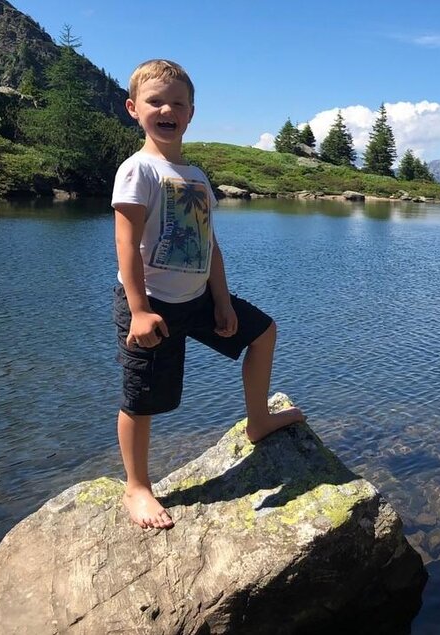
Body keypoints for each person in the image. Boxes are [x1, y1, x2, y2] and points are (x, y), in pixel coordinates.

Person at [112, 59, 303, 529]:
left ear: (191, 113)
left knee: (262, 333)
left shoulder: (195, 175)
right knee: (142, 397)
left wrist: (222, 299)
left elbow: (209, 243)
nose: (167, 109)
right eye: (156, 101)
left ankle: (258, 421)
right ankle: (136, 487)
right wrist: (138, 309)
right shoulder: (138, 170)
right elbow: (126, 245)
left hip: (198, 300)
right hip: (152, 304)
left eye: (177, 103)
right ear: (134, 108)